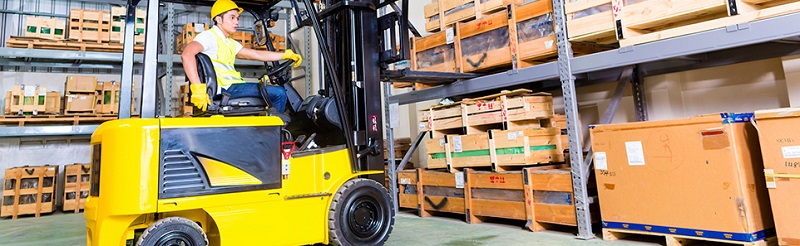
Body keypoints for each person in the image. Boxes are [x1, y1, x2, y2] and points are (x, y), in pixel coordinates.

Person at [182, 0, 302, 113]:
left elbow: (257, 54)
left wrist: (285, 55)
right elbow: (187, 54)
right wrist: (197, 88)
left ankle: (265, 128)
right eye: (232, 17)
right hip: (226, 89)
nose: (236, 22)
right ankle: (275, 132)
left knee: (271, 93)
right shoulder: (209, 36)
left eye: (237, 18)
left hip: (233, 87)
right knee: (279, 93)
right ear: (218, 19)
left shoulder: (228, 42)